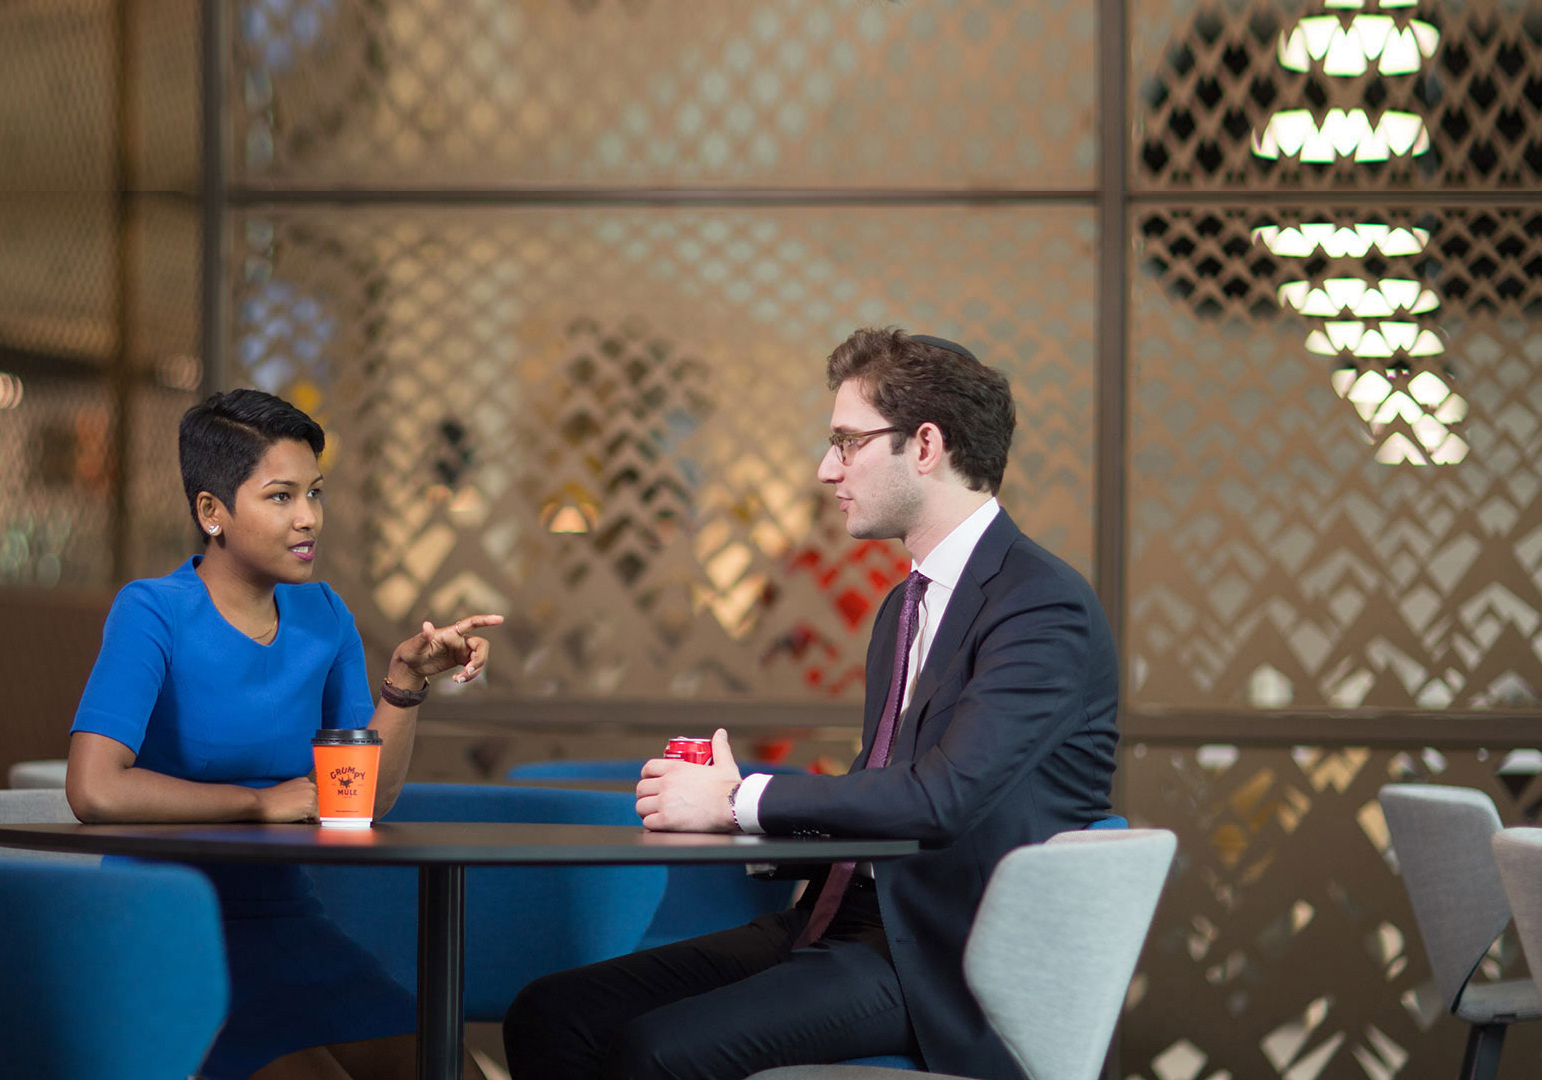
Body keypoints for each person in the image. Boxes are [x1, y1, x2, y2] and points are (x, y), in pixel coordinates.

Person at [503, 329, 1118, 1080]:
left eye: (847, 442)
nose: (827, 470)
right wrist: (744, 824)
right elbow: (879, 788)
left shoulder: (1041, 607)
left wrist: (738, 801)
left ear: (925, 445)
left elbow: (940, 799)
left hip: (938, 957)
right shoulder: (905, 607)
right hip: (837, 921)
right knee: (551, 1014)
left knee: (656, 1052)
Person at [65, 389, 503, 1080]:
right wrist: (257, 802)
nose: (307, 518)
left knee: (452, 1069)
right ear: (213, 512)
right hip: (165, 926)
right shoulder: (152, 612)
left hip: (288, 922)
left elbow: (365, 802)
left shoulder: (324, 615)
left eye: (315, 493)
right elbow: (93, 789)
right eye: (280, 497)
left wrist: (405, 683)